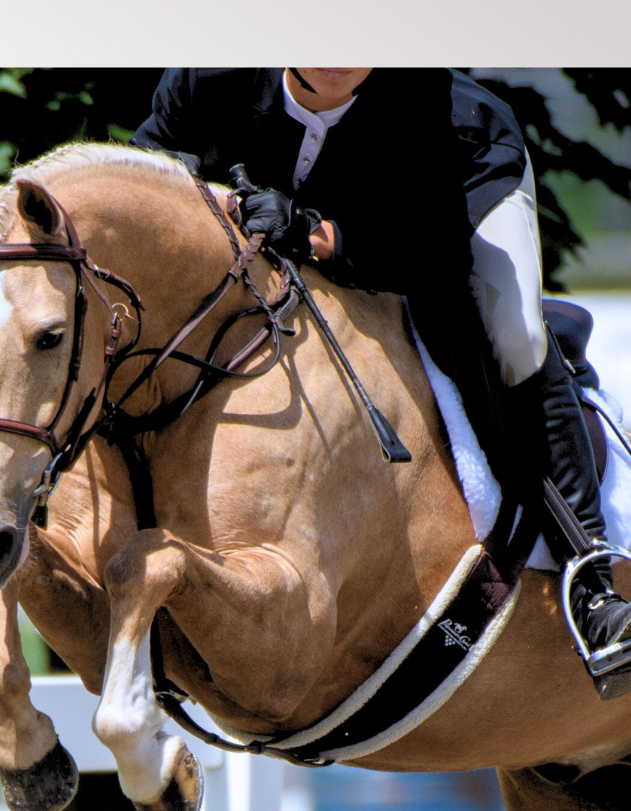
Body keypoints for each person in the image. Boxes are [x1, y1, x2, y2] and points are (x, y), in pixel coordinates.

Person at [130, 66, 631, 697]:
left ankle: (591, 579)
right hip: (312, 218)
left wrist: (320, 236)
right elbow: (148, 172)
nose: (339, 57)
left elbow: (437, 254)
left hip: (449, 193)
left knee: (512, 332)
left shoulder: (431, 108)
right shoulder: (213, 75)